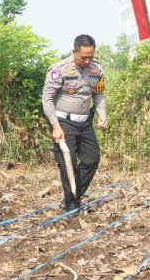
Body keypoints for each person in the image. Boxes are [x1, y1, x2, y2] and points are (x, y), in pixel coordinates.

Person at [42, 34, 107, 216]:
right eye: (83, 57)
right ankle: (72, 202)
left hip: (85, 122)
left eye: (90, 57)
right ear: (73, 52)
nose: (87, 61)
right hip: (63, 122)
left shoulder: (97, 70)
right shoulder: (59, 69)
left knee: (92, 159)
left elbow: (98, 94)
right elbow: (47, 99)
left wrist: (102, 115)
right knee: (67, 161)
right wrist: (55, 125)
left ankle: (72, 195)